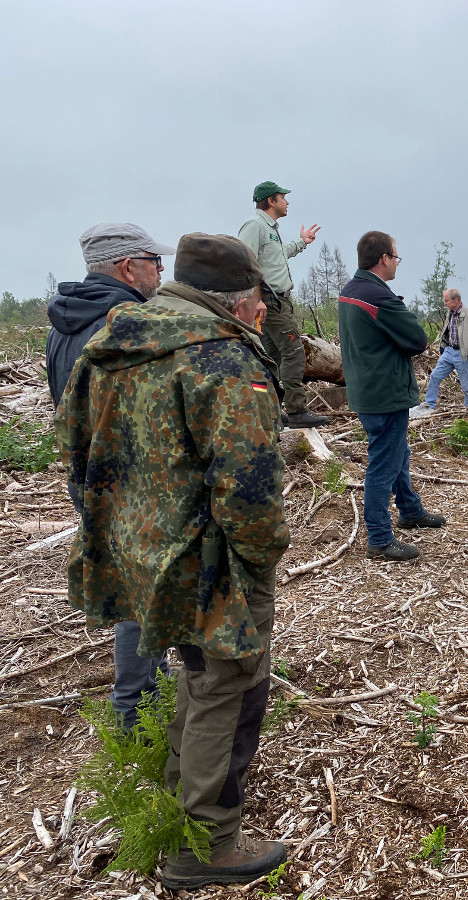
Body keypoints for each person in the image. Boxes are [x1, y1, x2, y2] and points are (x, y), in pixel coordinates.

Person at [56, 233, 290, 888]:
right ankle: (204, 845)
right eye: (258, 303)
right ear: (242, 301)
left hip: (133, 550)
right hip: (205, 560)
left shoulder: (117, 336)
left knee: (193, 671)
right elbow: (249, 494)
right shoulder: (220, 357)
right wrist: (261, 558)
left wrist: (118, 523)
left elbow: (73, 442)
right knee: (226, 681)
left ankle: (174, 800)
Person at [46, 223, 175, 731]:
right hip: (128, 482)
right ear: (127, 267)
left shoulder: (65, 323)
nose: (161, 271)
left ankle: (147, 694)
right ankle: (137, 713)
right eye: (154, 262)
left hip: (88, 478)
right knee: (140, 593)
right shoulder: (123, 323)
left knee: (130, 589)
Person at [338, 231, 445, 561]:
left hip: (366, 389)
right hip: (385, 392)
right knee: (383, 464)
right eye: (396, 257)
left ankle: (410, 510)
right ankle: (380, 538)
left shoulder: (350, 291)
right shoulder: (377, 297)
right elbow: (417, 339)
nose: (397, 262)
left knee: (397, 454)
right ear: (384, 258)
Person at [238, 181, 327, 428]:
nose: (287, 202)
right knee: (294, 352)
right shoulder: (255, 226)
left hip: (277, 302)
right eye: (283, 197)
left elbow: (276, 256)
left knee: (273, 359)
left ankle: (272, 413)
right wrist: (256, 300)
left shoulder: (270, 229)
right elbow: (245, 262)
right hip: (269, 302)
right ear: (271, 201)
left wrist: (302, 242)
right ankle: (297, 411)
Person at [411, 289, 468, 416]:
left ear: (456, 300)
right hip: (449, 351)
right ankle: (430, 405)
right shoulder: (450, 313)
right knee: (435, 376)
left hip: (463, 354)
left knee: (466, 385)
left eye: (446, 300)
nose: (445, 303)